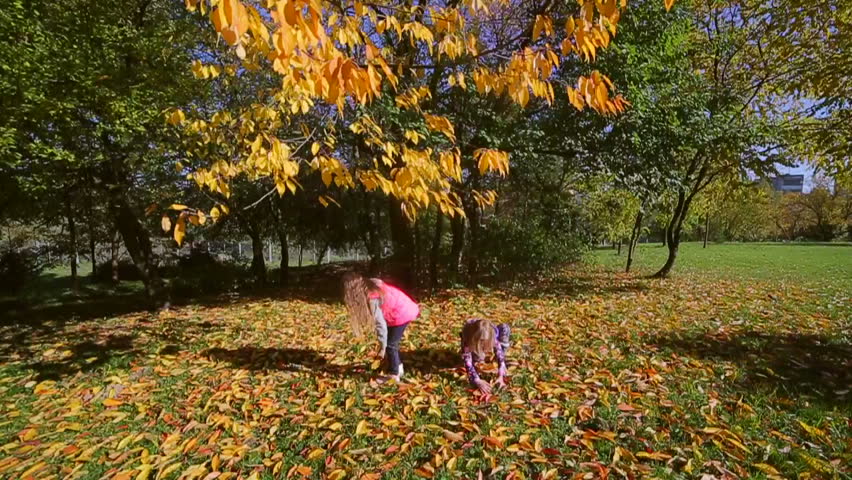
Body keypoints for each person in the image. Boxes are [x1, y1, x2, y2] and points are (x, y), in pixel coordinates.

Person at [342, 272, 419, 382]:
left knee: (390, 345)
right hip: (403, 308)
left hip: (402, 313)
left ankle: (394, 374)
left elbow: (380, 325)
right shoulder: (372, 284)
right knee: (392, 343)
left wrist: (382, 347)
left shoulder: (373, 298)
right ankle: (398, 366)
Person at [460, 318, 510, 394]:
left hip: (487, 335)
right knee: (478, 358)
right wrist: (477, 380)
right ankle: (477, 353)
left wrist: (501, 372)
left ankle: (490, 353)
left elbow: (498, 349)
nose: (483, 342)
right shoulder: (468, 337)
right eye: (481, 341)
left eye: (485, 341)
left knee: (505, 328)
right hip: (472, 338)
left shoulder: (491, 332)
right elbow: (467, 361)